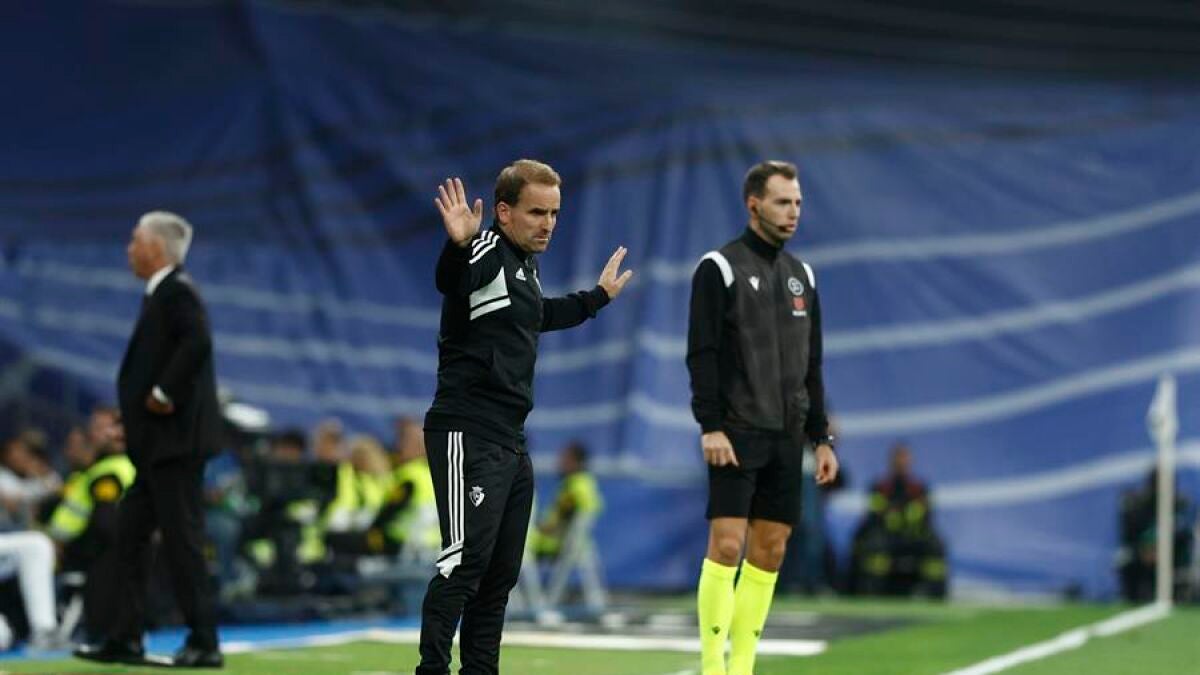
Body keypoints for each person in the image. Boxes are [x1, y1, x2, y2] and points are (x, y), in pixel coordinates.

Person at [416, 160, 633, 675]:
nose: (548, 224)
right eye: (537, 212)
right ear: (504, 211)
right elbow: (453, 280)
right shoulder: (486, 251)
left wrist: (597, 298)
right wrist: (458, 244)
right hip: (466, 429)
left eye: (554, 213)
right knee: (465, 561)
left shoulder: (524, 267)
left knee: (499, 576)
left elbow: (538, 316)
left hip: (510, 439)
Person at [687, 160, 839, 675]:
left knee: (770, 551)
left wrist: (821, 438)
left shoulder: (803, 276)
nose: (793, 211)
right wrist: (710, 425)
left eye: (797, 202)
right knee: (728, 544)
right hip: (736, 432)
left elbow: (812, 365)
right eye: (782, 202)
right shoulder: (719, 268)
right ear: (754, 205)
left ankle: (743, 667)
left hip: (787, 437)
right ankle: (714, 667)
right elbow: (702, 354)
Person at [74, 211, 223, 668]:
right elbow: (166, 357)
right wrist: (134, 416)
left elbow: (197, 342)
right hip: (158, 447)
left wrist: (162, 394)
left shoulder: (177, 291)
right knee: (130, 538)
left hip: (174, 449)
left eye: (134, 240)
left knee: (182, 543)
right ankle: (125, 637)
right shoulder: (162, 293)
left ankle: (204, 642)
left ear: (156, 248)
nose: (128, 248)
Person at [849, 442, 946, 597]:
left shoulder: (919, 489)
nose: (902, 462)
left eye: (905, 458)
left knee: (936, 545)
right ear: (891, 461)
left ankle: (936, 597)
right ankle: (871, 595)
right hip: (886, 538)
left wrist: (901, 518)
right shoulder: (880, 487)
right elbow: (875, 517)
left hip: (913, 538)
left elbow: (926, 517)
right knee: (874, 545)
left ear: (910, 461)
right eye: (898, 458)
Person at [530, 441, 602, 559]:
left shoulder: (576, 487)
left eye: (565, 458)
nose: (560, 462)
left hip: (552, 545)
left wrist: (538, 527)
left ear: (576, 462)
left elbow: (560, 523)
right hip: (568, 545)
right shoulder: (583, 483)